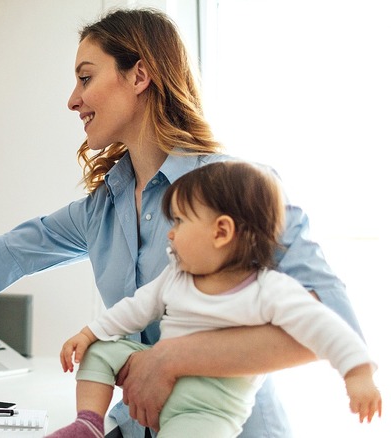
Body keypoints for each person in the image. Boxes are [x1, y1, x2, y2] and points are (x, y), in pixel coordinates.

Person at [0, 8, 366, 437]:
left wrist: (171, 358)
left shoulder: (241, 189)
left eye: (86, 77)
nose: (72, 99)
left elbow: (329, 329)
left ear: (140, 75)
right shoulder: (102, 207)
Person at [47, 161, 381, 438]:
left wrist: (358, 375)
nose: (170, 232)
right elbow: (134, 309)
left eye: (179, 220)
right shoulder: (177, 275)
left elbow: (327, 327)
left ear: (220, 232)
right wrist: (88, 334)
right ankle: (88, 424)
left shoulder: (269, 290)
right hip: (157, 378)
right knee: (102, 350)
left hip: (206, 411)